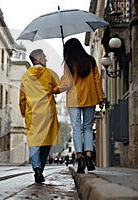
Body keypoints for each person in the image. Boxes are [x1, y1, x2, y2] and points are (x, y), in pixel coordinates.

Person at [55, 38, 103, 173]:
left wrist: (55, 88)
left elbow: (67, 84)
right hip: (90, 97)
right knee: (87, 128)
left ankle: (80, 158)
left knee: (76, 128)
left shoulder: (69, 63)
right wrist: (100, 98)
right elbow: (97, 80)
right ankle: (89, 157)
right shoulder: (91, 61)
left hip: (74, 100)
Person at [19, 49, 61, 183]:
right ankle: (40, 170)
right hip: (47, 112)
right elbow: (57, 88)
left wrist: (24, 113)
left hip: (33, 113)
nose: (46, 59)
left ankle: (37, 169)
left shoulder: (26, 76)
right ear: (38, 59)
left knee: (34, 142)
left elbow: (22, 98)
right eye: (44, 57)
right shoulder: (48, 73)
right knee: (46, 142)